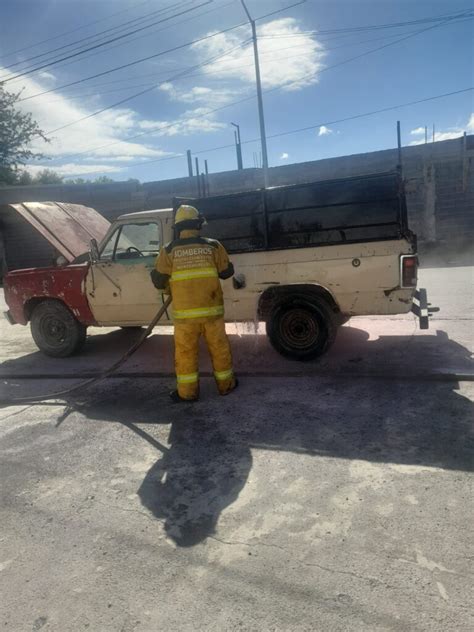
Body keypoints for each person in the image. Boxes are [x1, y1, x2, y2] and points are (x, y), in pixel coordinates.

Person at [151, 205, 238, 402]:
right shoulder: (213, 246)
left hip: (185, 318)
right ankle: (226, 386)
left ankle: (187, 393)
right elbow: (227, 273)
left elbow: (158, 281)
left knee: (185, 354)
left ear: (178, 227)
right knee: (220, 349)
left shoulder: (169, 250)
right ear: (198, 225)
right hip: (212, 314)